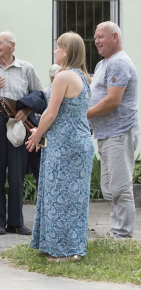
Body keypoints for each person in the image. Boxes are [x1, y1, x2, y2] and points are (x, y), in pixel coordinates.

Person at [27, 32, 94, 261]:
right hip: (80, 142)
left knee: (58, 195)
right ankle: (72, 247)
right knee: (74, 198)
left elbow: (50, 113)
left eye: (57, 47)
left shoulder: (63, 76)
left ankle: (61, 251)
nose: (55, 51)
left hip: (64, 145)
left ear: (66, 51)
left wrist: (37, 134)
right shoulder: (83, 77)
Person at [0, 31, 43, 235]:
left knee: (17, 173)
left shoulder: (26, 68)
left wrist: (27, 110)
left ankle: (15, 222)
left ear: (12, 45)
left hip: (18, 123)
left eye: (0, 43)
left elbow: (39, 95)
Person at [87, 21, 140, 238]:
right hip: (106, 134)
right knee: (109, 188)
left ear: (115, 37)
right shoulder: (103, 64)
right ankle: (118, 231)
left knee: (120, 188)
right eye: (96, 36)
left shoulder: (118, 63)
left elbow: (112, 101)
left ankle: (122, 237)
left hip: (119, 133)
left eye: (101, 37)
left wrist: (83, 116)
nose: (96, 41)